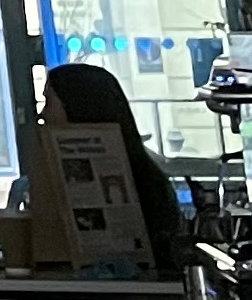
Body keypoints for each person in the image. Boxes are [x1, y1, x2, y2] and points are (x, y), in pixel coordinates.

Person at [42, 64, 189, 271]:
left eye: (48, 103)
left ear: (76, 107)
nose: (42, 115)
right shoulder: (151, 178)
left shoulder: (148, 185)